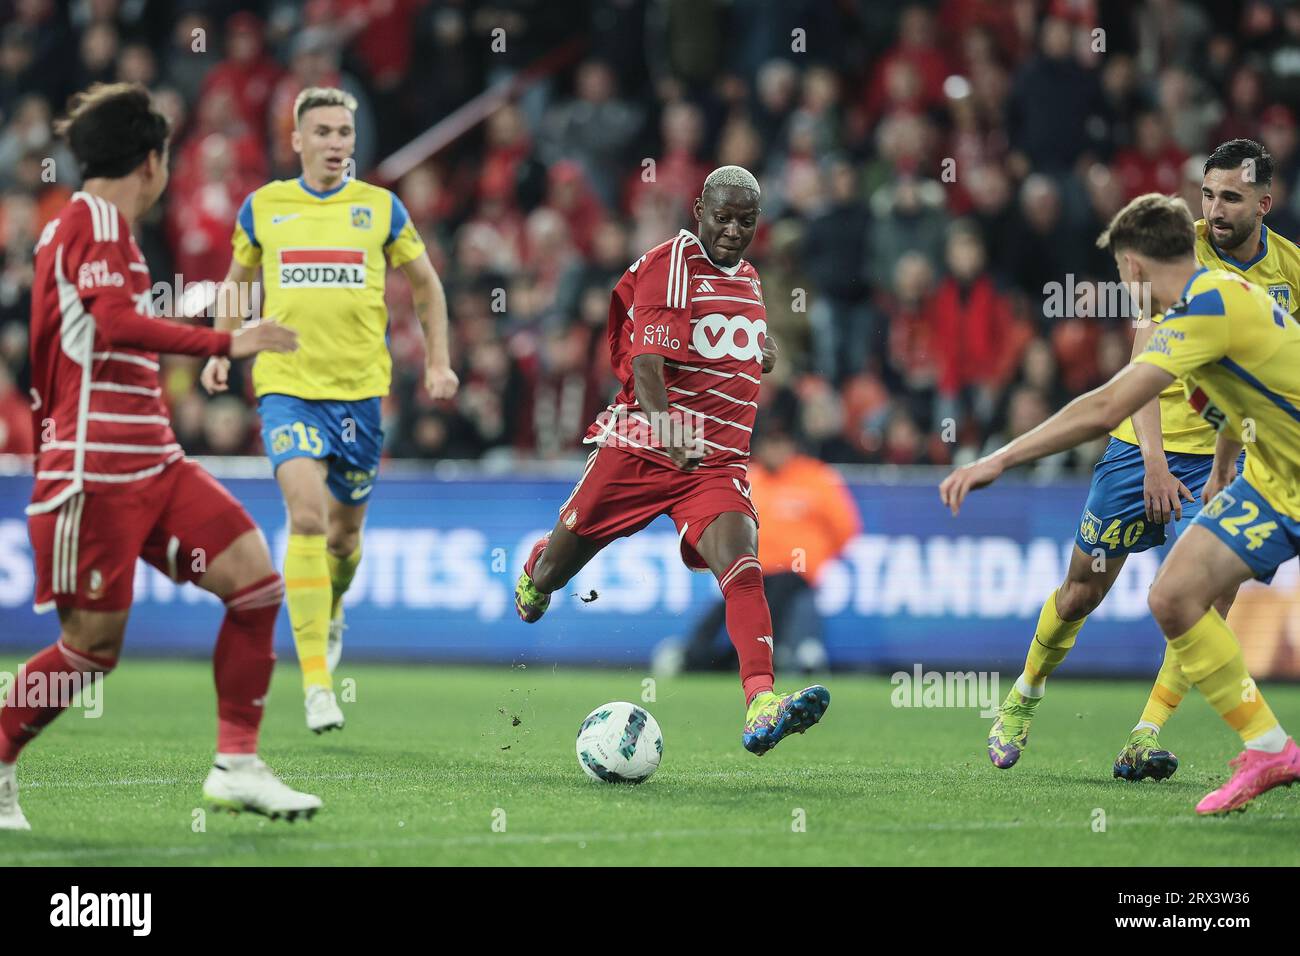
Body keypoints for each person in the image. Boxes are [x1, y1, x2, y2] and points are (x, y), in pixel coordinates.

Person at [0, 83, 316, 830]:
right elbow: (111, 325)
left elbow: (117, 322)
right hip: (93, 473)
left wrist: (201, 315)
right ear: (152, 161)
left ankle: (237, 765)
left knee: (256, 587)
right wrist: (223, 341)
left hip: (156, 464)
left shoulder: (95, 229)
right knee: (90, 651)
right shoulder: (91, 224)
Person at [941, 192, 1300, 815]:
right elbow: (1238, 396)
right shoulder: (1215, 296)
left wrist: (998, 458)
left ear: (1133, 268)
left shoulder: (1201, 309)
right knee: (1172, 594)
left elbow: (1105, 405)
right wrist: (1222, 470)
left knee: (1188, 595)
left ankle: (1193, 738)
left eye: (1119, 273)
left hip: (1283, 474)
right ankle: (1269, 749)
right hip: (1270, 476)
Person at [514, 166, 831, 755]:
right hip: (643, 448)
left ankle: (762, 702)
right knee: (551, 578)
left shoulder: (751, 279)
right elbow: (647, 366)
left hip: (714, 463)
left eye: (746, 220)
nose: (734, 230)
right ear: (698, 213)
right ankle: (538, 567)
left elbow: (728, 339)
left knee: (742, 565)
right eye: (723, 217)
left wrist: (760, 348)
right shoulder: (673, 265)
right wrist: (668, 430)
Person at [201, 87, 458, 733]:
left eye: (344, 131)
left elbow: (426, 284)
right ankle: (318, 684)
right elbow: (236, 284)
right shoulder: (265, 207)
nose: (337, 143)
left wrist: (437, 361)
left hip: (359, 396)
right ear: (297, 140)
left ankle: (332, 607)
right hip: (286, 386)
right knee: (307, 517)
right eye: (323, 132)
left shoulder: (380, 209)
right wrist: (219, 349)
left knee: (343, 536)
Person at [672, 423, 860, 675]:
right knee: (728, 600)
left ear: (792, 446)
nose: (775, 450)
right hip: (753, 567)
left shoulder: (815, 477)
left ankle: (750, 658)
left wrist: (815, 558)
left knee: (771, 595)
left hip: (795, 571)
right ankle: (695, 654)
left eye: (780, 443)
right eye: (770, 444)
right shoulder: (749, 477)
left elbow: (845, 527)